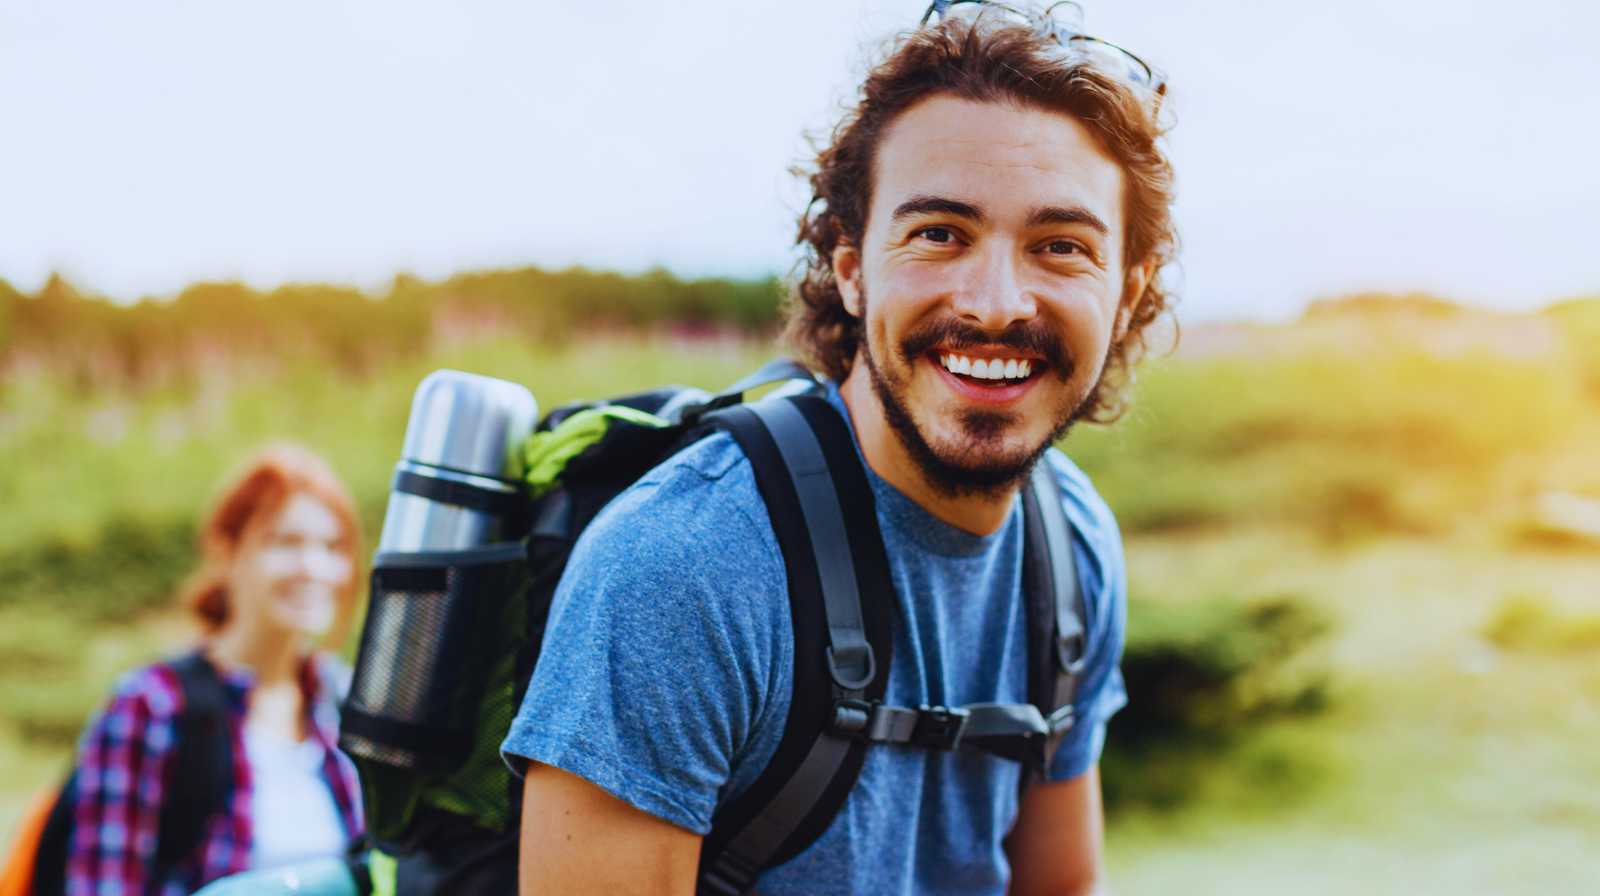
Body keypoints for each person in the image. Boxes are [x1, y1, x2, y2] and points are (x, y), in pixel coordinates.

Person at [504, 2, 1177, 893]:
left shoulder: (1072, 546)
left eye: (1061, 246)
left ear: (1126, 296)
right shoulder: (685, 566)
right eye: (940, 234)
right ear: (852, 267)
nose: (997, 302)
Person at [65, 444, 366, 896]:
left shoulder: (344, 698)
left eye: (332, 546)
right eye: (285, 542)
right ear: (228, 553)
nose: (313, 567)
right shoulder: (151, 706)